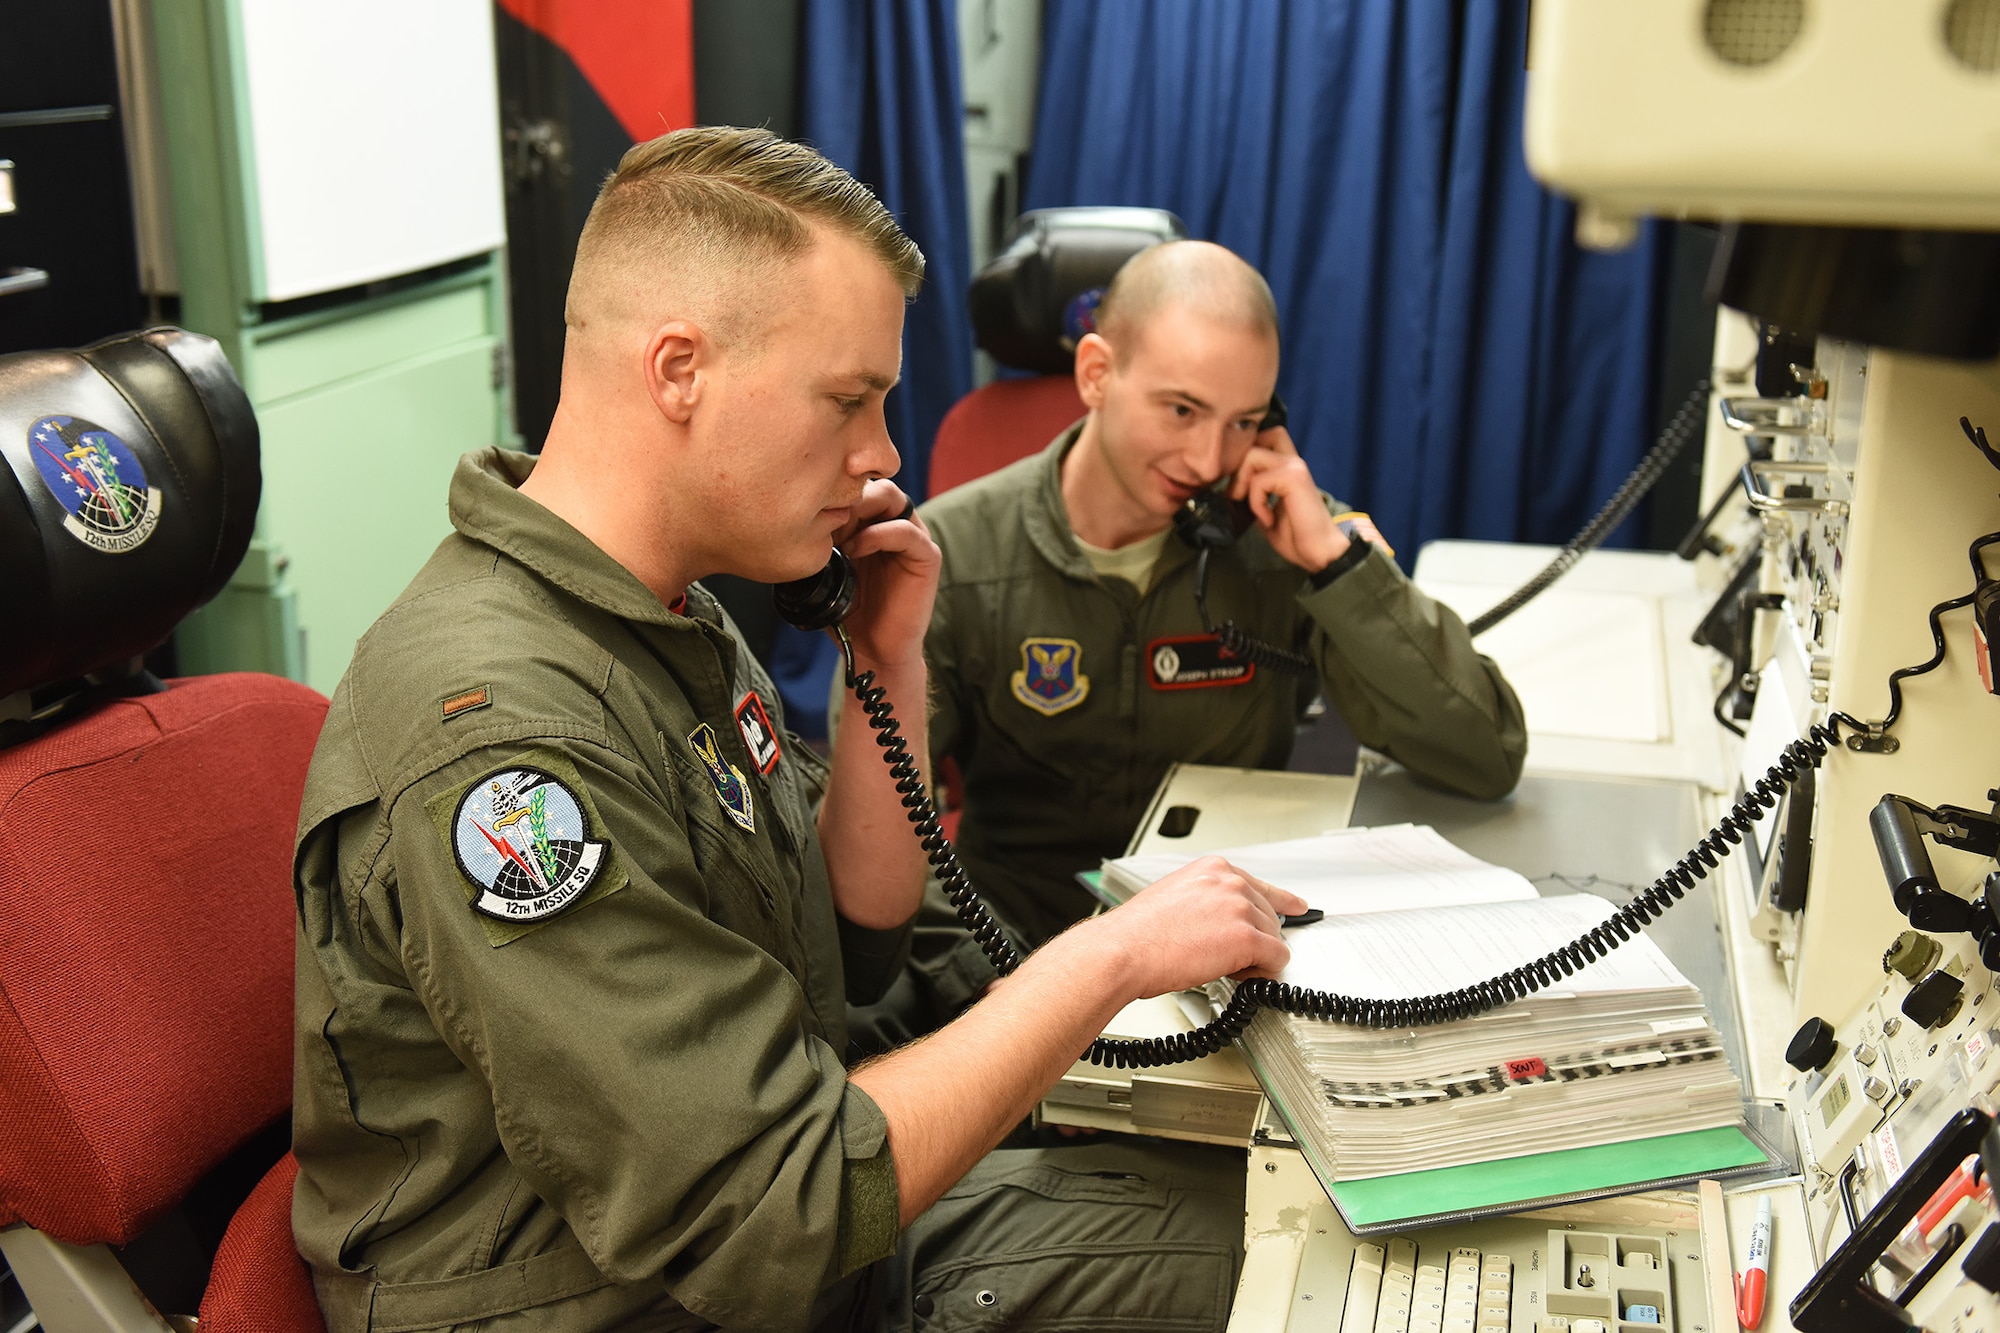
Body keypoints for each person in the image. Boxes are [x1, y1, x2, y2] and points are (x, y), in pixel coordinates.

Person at [290, 127, 1308, 1332]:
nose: (881, 453)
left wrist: (888, 659)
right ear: (679, 371)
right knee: (1276, 1279)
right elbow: (777, 1204)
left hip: (761, 1213)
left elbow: (854, 945)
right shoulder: (506, 742)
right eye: (849, 399)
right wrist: (1111, 957)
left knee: (1264, 1212)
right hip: (623, 1295)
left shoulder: (666, 616)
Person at [889, 241, 1527, 1024]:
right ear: (1096, 373)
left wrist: (1335, 568)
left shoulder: (1276, 532)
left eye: (1244, 423)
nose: (1207, 457)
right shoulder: (953, 553)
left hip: (1229, 958)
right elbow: (885, 829)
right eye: (1182, 409)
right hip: (1018, 954)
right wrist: (1003, 996)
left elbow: (1485, 754)